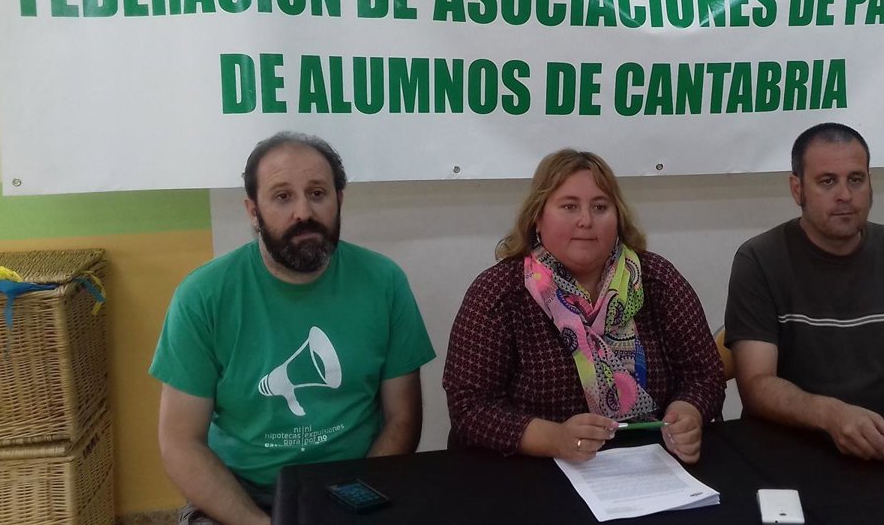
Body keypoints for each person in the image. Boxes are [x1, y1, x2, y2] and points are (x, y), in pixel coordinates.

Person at [150, 132, 435, 524]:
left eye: (317, 193)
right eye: (282, 196)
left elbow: (403, 419)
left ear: (339, 200)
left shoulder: (385, 282)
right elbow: (180, 442)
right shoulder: (202, 296)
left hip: (358, 490)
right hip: (239, 498)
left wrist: (356, 502)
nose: (304, 212)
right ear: (253, 211)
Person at [725, 123, 884, 464]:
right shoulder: (760, 259)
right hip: (794, 447)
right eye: (827, 181)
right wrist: (830, 415)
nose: (845, 195)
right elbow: (757, 384)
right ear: (797, 189)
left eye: (856, 179)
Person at [444, 149, 724, 464]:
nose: (586, 221)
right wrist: (553, 439)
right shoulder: (500, 292)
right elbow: (470, 408)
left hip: (648, 463)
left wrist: (688, 411)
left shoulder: (656, 280)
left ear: (618, 217)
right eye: (569, 206)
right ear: (538, 218)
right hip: (532, 469)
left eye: (600, 207)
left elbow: (705, 375)